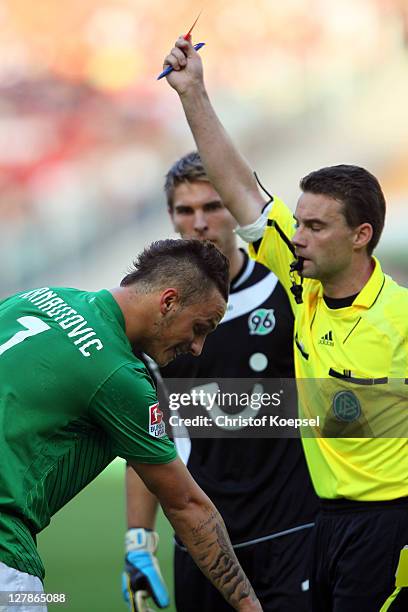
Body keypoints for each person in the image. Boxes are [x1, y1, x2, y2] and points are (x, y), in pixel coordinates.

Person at [157, 38, 408, 611]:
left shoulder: (400, 317)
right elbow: (239, 186)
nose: (297, 238)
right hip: (325, 523)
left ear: (360, 235)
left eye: (316, 227)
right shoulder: (301, 283)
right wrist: (193, 91)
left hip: (390, 527)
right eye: (298, 223)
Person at [0, 238, 263, 612]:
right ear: (168, 302)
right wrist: (249, 606)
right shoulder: (119, 374)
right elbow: (187, 505)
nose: (197, 347)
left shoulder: (41, 297)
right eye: (200, 327)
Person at [122, 152, 318, 612]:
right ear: (171, 218)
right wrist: (137, 541)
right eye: (186, 211)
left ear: (234, 209)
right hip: (203, 542)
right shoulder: (150, 315)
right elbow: (145, 438)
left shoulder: (286, 288)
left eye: (213, 206)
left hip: (294, 531)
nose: (200, 222)